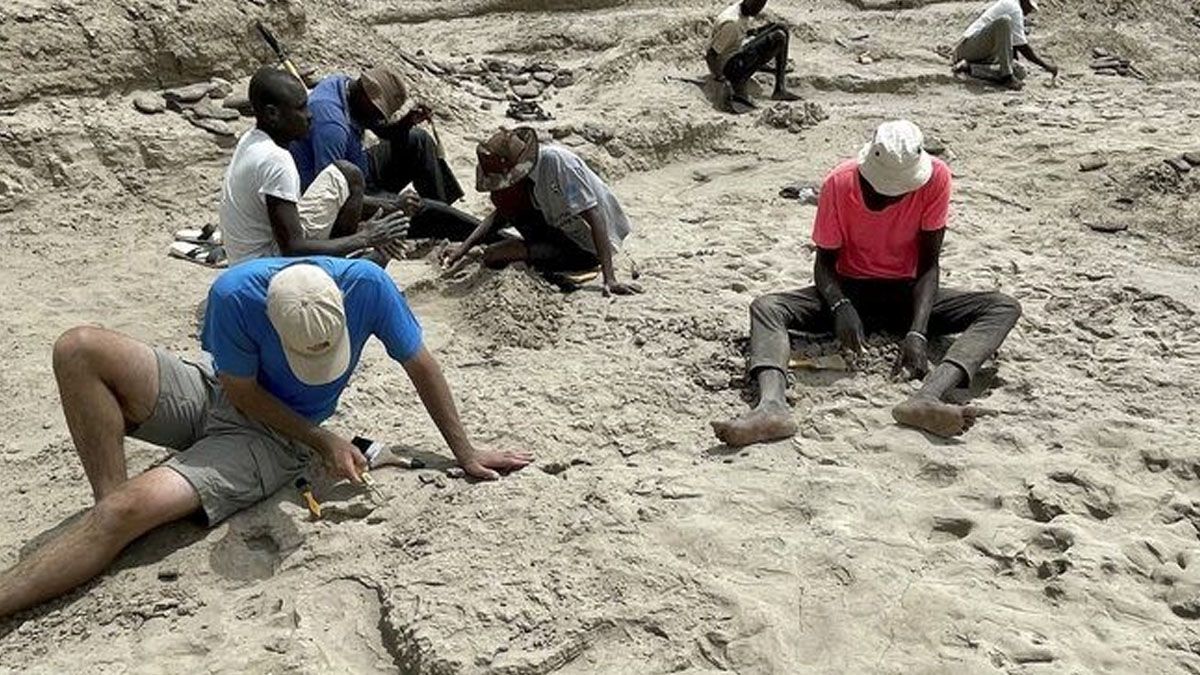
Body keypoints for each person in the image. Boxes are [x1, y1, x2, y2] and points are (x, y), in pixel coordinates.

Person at [0, 257, 533, 619]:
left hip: (274, 440)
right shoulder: (235, 293)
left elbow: (421, 364)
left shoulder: (367, 285)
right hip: (223, 394)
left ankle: (111, 523)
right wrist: (325, 439)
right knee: (78, 348)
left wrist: (465, 452)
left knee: (125, 512)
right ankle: (109, 514)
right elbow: (241, 391)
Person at [711, 120, 1022, 447]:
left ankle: (930, 395)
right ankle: (771, 407)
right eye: (881, 189)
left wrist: (917, 332)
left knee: (1003, 307)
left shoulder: (937, 178)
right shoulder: (838, 183)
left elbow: (929, 266)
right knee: (767, 307)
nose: (889, 198)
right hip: (850, 290)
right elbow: (824, 264)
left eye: (899, 191)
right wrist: (840, 305)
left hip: (908, 295)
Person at [221, 67, 409, 266]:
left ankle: (340, 263)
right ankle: (339, 268)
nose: (310, 115)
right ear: (272, 114)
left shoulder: (251, 139)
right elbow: (293, 248)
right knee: (377, 259)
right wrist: (365, 238)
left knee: (348, 174)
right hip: (264, 267)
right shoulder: (276, 160)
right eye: (301, 109)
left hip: (254, 255)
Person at [288, 67, 481, 243]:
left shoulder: (345, 86)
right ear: (365, 98)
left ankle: (445, 218)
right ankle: (474, 231)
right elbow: (331, 196)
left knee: (418, 140)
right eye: (377, 113)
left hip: (358, 168)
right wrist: (394, 205)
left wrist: (406, 122)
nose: (379, 118)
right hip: (340, 200)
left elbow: (380, 130)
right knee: (424, 209)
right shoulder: (332, 126)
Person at [442, 127, 641, 296]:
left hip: (589, 246)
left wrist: (609, 278)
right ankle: (533, 250)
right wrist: (463, 248)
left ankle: (543, 254)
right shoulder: (528, 180)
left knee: (494, 254)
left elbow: (594, 215)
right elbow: (500, 214)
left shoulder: (557, 165)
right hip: (560, 228)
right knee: (502, 205)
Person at [705, 0, 800, 108]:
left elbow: (741, 35)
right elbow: (711, 55)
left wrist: (757, 33)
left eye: (761, 5)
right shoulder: (732, 24)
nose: (758, 9)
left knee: (781, 27)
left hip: (737, 51)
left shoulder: (741, 9)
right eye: (756, 4)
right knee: (779, 37)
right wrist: (722, 79)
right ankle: (740, 82)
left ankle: (780, 89)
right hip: (730, 68)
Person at [952, 0, 1057, 89]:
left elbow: (1014, 44)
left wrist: (1013, 64)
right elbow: (1023, 47)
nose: (1029, 11)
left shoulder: (1015, 9)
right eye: (1029, 7)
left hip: (984, 54)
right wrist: (1046, 66)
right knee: (1004, 22)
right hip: (968, 48)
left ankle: (970, 68)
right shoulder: (1014, 7)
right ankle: (1007, 77)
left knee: (1020, 71)